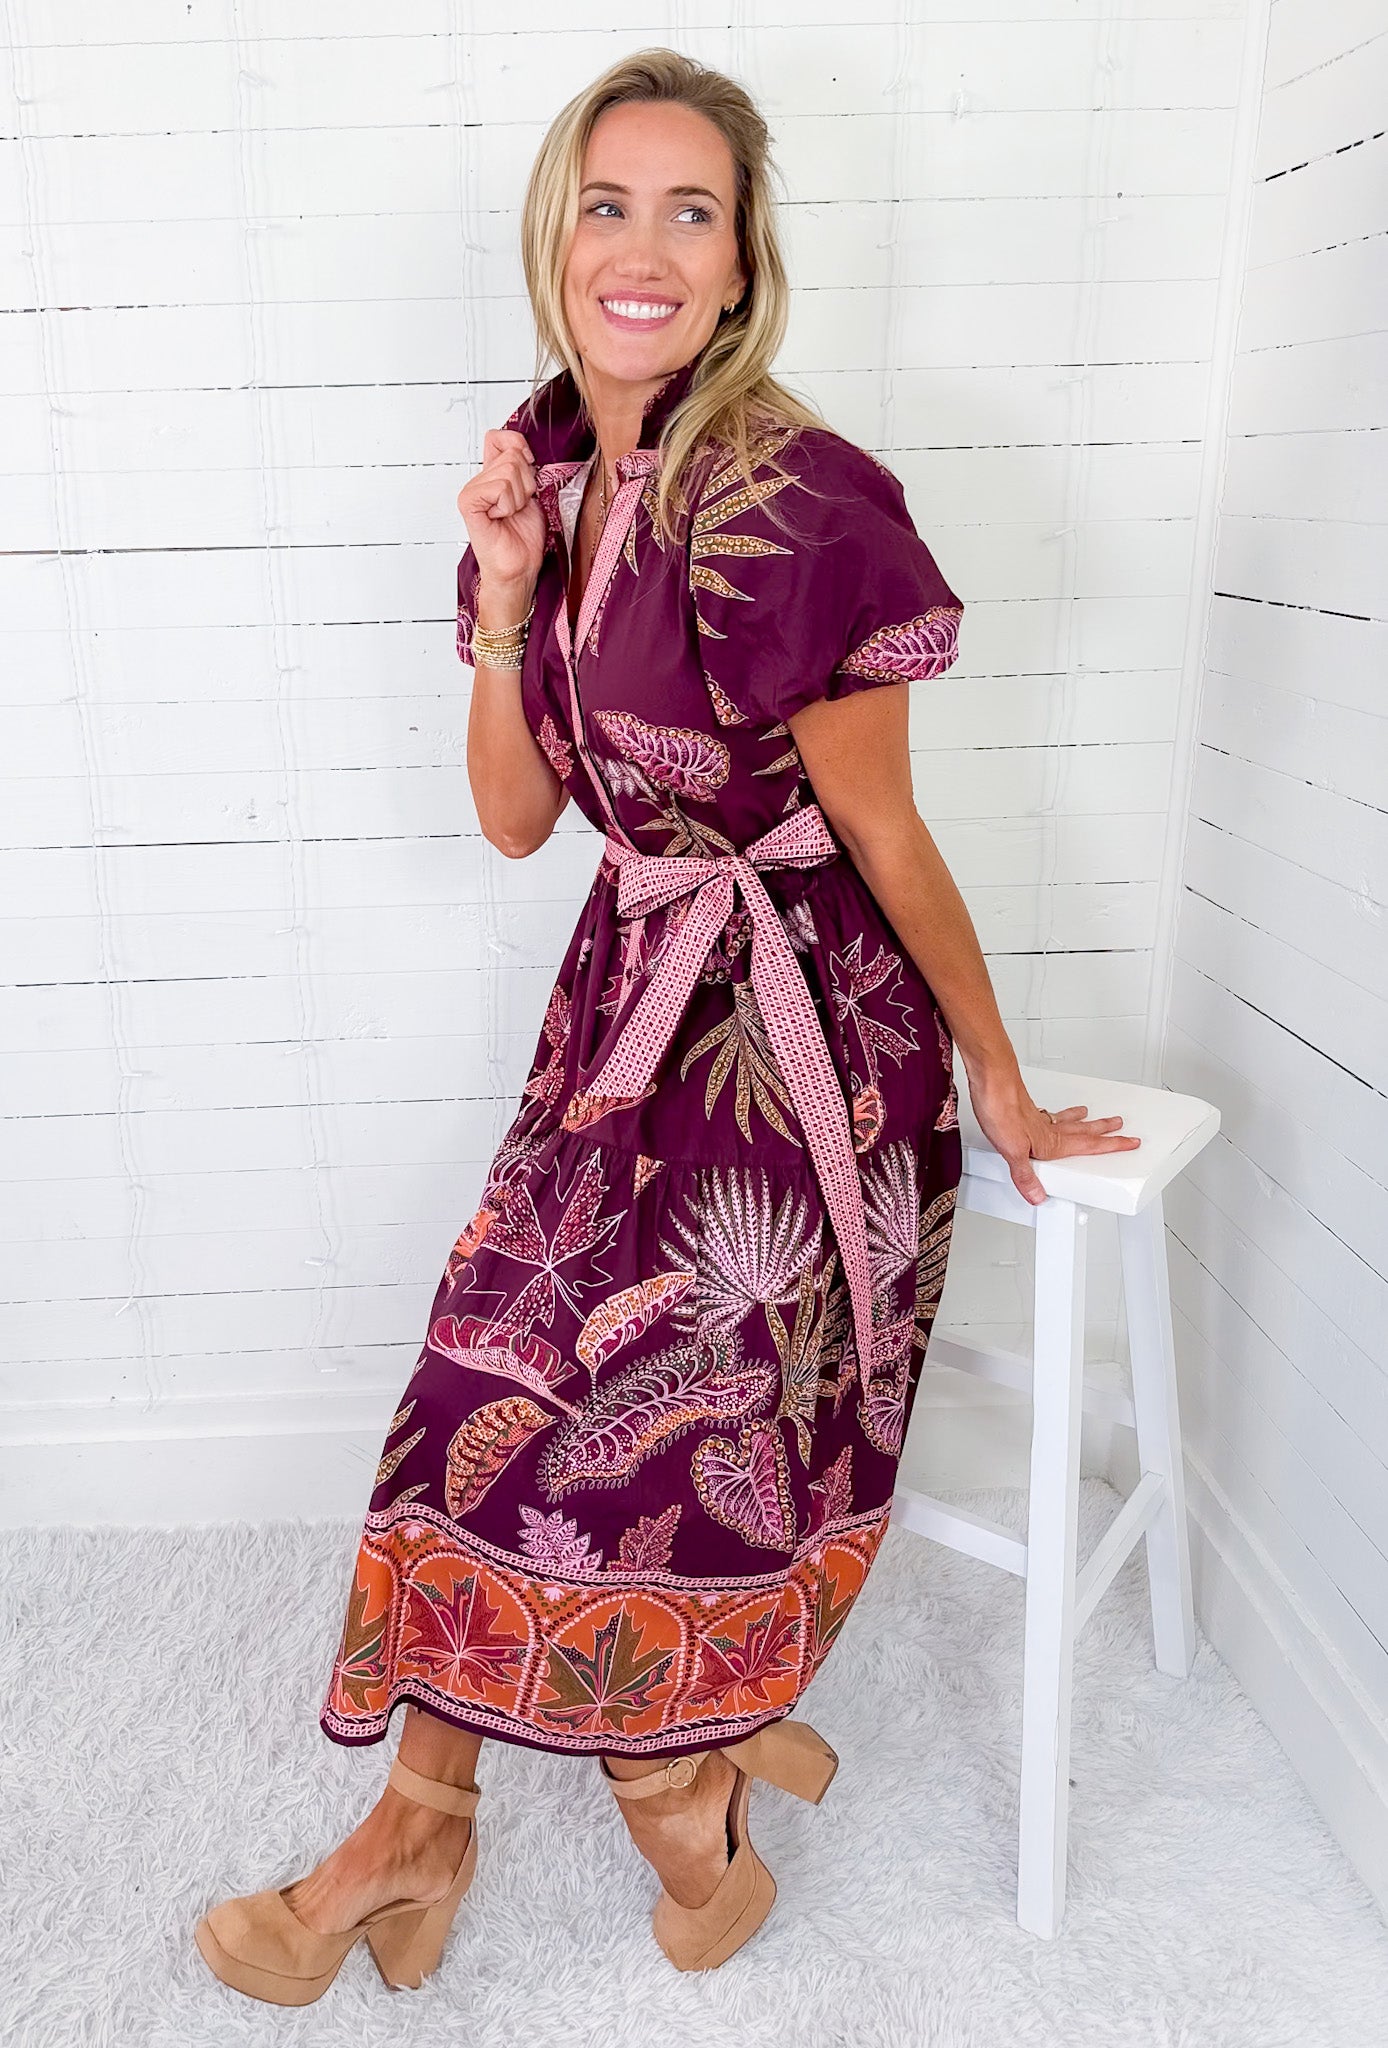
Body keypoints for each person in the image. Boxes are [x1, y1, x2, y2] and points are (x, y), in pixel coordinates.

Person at [195, 48, 1139, 2004]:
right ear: (556, 238)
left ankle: (673, 1806)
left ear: (740, 261)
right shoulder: (536, 477)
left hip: (803, 1038)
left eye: (686, 211)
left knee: (647, 1426)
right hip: (624, 996)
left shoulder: (800, 501)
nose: (640, 248)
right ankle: (437, 1828)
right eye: (605, 205)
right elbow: (518, 816)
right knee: (475, 1392)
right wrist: (511, 588)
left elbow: (880, 826)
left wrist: (997, 1079)